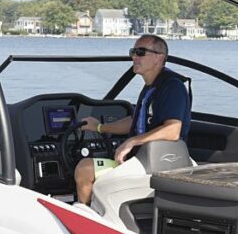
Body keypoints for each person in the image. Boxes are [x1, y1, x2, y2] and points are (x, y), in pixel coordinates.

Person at [73, 33, 191, 204]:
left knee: (85, 169)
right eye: (133, 52)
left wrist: (132, 142)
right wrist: (100, 128)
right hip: (144, 159)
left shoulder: (172, 86)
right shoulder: (152, 86)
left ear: (159, 58)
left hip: (160, 163)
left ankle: (89, 221)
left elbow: (173, 130)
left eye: (140, 52)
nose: (134, 57)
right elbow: (136, 121)